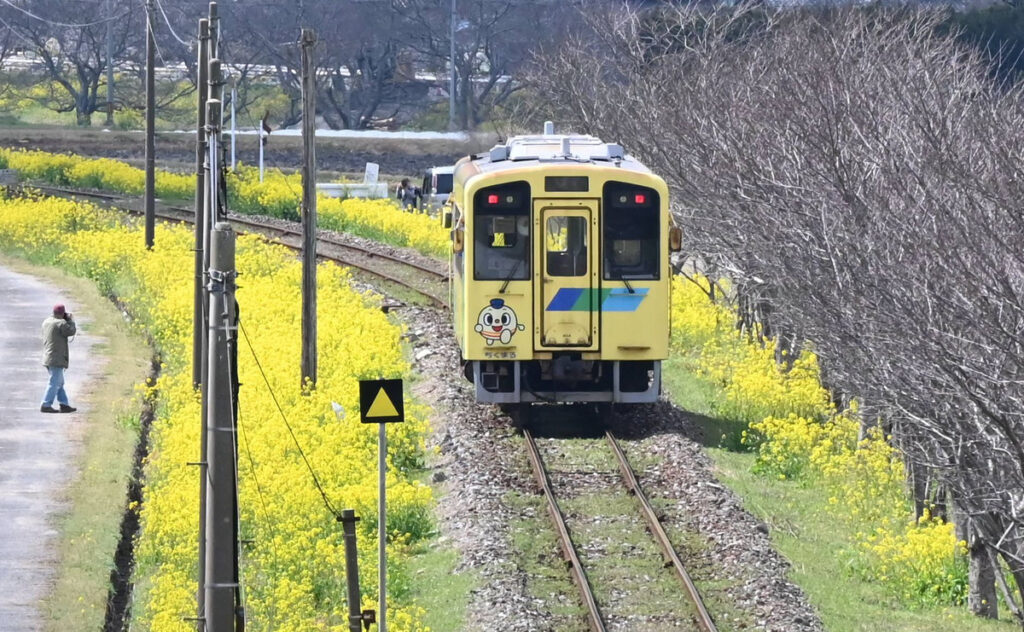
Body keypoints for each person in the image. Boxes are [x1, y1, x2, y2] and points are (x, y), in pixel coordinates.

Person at [40, 303, 77, 414]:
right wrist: (70, 320)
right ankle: (46, 404)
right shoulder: (61, 323)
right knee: (54, 382)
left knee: (59, 382)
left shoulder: (46, 322)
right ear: (62, 313)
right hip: (56, 358)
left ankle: (64, 404)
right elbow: (71, 331)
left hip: (48, 357)